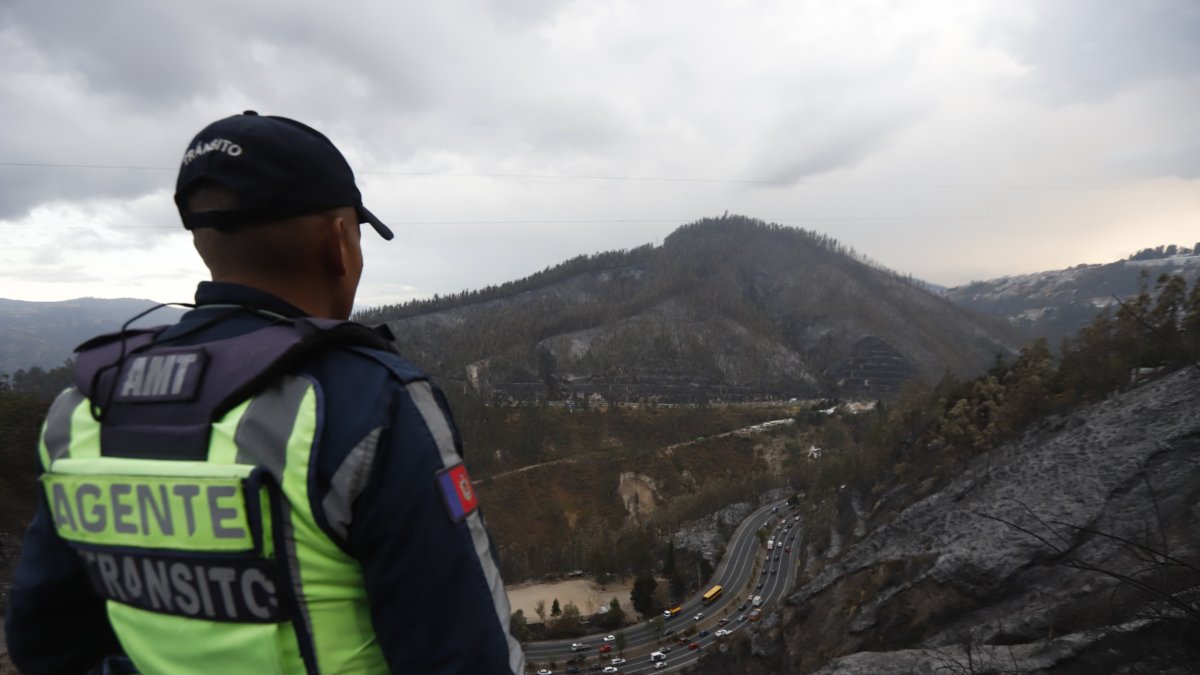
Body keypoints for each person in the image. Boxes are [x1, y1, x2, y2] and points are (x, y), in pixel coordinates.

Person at [5, 111, 526, 674]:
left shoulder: (84, 408)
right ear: (340, 243)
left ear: (205, 242)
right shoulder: (369, 402)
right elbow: (469, 657)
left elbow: (43, 641)